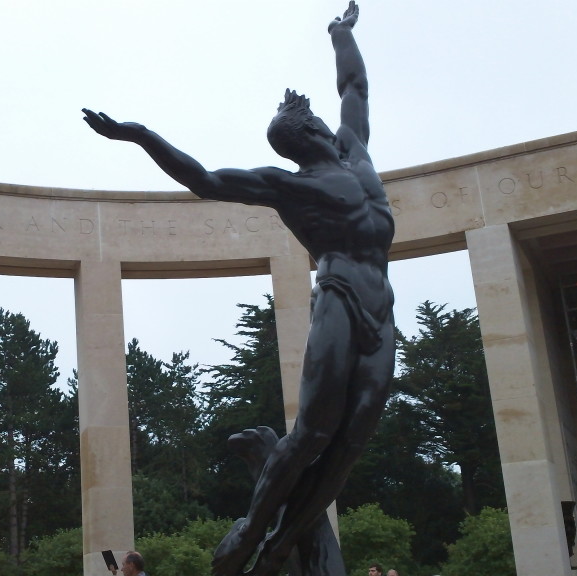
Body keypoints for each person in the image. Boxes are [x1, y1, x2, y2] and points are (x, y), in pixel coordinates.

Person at [83, 3, 394, 576]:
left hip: (382, 306)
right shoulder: (289, 186)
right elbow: (204, 180)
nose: (323, 126)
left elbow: (355, 85)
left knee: (356, 433)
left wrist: (339, 34)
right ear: (307, 138)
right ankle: (256, 528)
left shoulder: (357, 153)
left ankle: (283, 541)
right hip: (341, 295)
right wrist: (141, 136)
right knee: (314, 432)